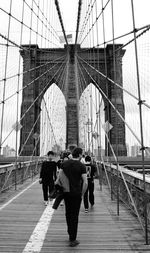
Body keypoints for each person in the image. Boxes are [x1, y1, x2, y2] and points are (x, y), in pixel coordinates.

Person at [60, 147, 87, 247]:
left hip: (66, 193)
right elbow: (85, 182)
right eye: (82, 154)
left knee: (68, 213)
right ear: (79, 155)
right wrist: (82, 194)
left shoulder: (64, 164)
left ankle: (70, 232)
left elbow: (60, 179)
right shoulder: (81, 166)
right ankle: (73, 238)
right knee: (75, 215)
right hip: (76, 193)